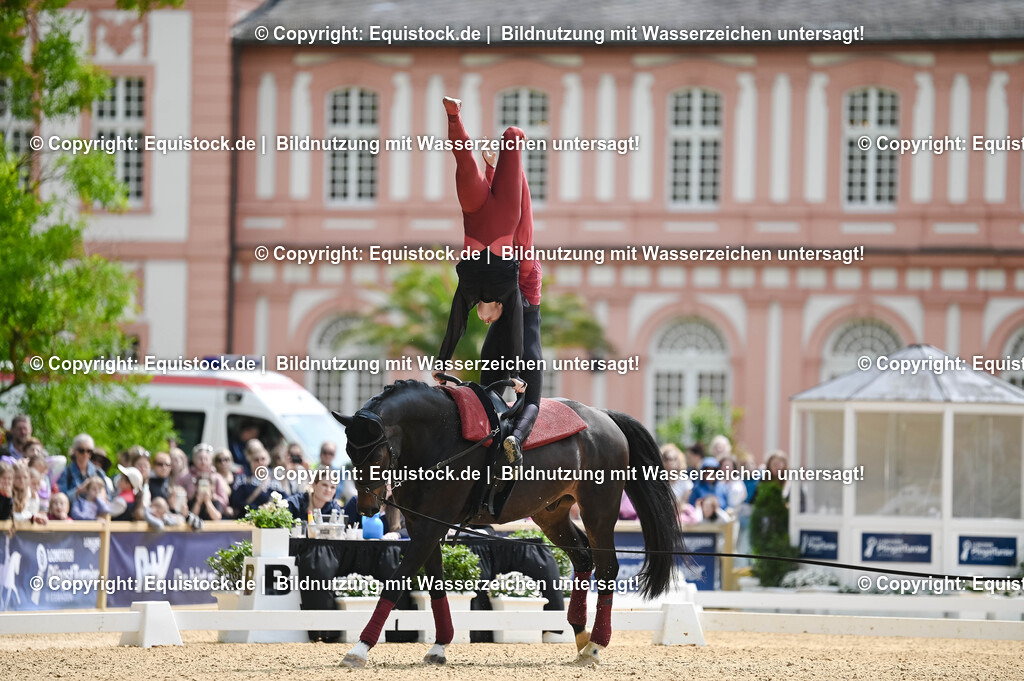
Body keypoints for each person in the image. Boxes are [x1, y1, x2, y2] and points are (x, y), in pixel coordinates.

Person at [431, 96, 544, 466]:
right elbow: (525, 220)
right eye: (487, 317)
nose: (484, 319)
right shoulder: (517, 285)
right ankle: (497, 158)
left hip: (476, 213)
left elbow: (455, 323)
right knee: (512, 137)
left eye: (484, 316)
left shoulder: (475, 292)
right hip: (507, 228)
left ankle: (454, 115)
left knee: (464, 162)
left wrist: (442, 362)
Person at [57, 433, 102, 503]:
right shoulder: (66, 472)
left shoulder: (99, 472)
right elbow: (60, 499)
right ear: (75, 451)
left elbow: (108, 499)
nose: (85, 454)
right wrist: (80, 490)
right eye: (81, 450)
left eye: (89, 451)